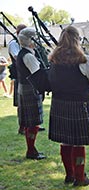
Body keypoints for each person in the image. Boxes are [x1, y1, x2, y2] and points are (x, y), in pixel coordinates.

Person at [48, 26, 89, 186]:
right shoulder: (84, 60)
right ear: (77, 39)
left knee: (65, 141)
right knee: (78, 143)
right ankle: (79, 178)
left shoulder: (54, 59)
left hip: (59, 104)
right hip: (79, 104)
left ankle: (70, 175)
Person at [16, 27, 46, 160]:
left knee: (30, 122)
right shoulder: (28, 56)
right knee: (33, 123)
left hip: (24, 88)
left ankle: (31, 149)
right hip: (31, 89)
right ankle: (31, 150)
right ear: (30, 40)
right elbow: (37, 75)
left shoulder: (23, 53)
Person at [8, 24, 27, 134]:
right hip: (19, 75)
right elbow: (17, 57)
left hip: (27, 75)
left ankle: (32, 124)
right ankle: (22, 127)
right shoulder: (13, 44)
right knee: (21, 104)